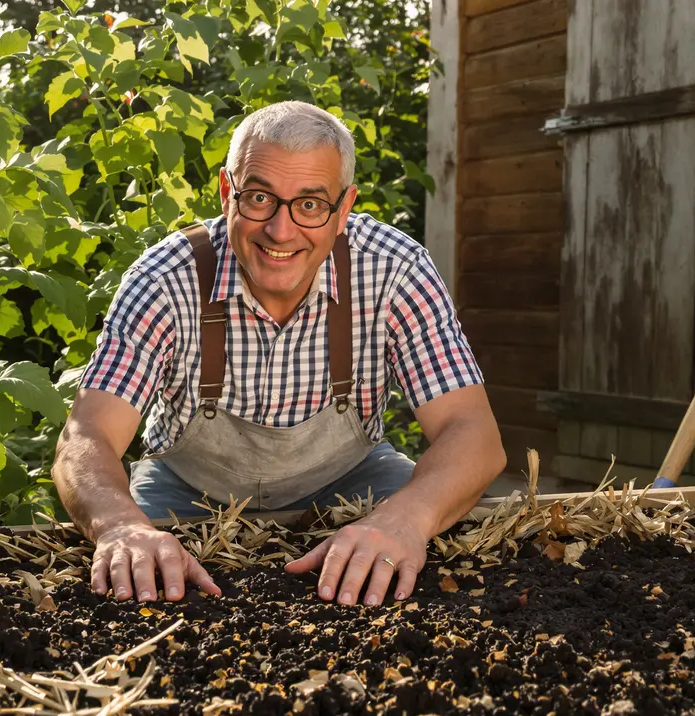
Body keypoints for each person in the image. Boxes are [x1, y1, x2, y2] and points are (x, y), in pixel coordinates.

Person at [51, 100, 505, 607]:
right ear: (228, 193)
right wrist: (119, 525)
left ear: (344, 208)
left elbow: (475, 435)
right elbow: (86, 436)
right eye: (260, 198)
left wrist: (404, 520)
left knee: (448, 562)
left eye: (310, 204)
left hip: (353, 482)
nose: (281, 231)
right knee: (131, 583)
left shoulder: (394, 270)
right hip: (187, 494)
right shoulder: (164, 279)